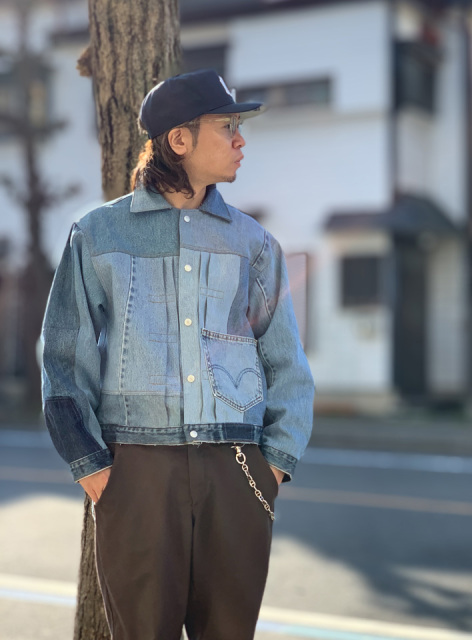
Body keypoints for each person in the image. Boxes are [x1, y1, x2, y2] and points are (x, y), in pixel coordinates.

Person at [40, 68, 315, 640]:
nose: (241, 141)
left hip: (236, 470)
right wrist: (93, 468)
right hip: (136, 473)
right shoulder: (98, 234)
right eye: (226, 128)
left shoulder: (254, 243)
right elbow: (64, 357)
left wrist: (271, 468)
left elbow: (286, 362)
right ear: (180, 139)